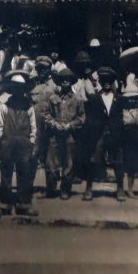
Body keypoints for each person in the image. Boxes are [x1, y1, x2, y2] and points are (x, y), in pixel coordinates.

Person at [0, 70, 37, 216]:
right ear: (12, 89)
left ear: (24, 90)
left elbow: (33, 125)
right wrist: (0, 140)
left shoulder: (29, 106)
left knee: (24, 173)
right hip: (8, 142)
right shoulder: (4, 105)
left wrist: (32, 141)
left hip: (24, 143)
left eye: (21, 88)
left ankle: (23, 204)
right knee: (6, 173)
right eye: (16, 87)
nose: (19, 91)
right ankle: (5, 203)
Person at [83, 67, 125, 202]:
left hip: (114, 133)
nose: (106, 83)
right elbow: (90, 117)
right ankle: (88, 188)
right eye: (104, 80)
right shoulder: (95, 98)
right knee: (93, 159)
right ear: (100, 82)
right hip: (99, 133)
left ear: (113, 82)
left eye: (109, 80)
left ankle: (120, 189)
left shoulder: (119, 99)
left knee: (118, 161)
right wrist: (96, 126)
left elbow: (120, 117)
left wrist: (116, 128)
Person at [44, 67, 85, 199]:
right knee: (51, 162)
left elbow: (82, 118)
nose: (65, 82)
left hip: (69, 135)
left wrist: (70, 125)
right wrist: (54, 124)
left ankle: (65, 189)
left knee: (69, 163)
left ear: (72, 82)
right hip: (55, 134)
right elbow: (47, 114)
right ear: (59, 82)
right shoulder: (53, 98)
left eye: (68, 80)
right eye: (62, 80)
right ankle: (51, 187)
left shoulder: (77, 99)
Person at [29, 56, 57, 194]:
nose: (41, 71)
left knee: (50, 159)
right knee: (32, 156)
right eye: (39, 68)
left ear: (49, 69)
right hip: (35, 127)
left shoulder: (55, 86)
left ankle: (51, 189)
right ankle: (27, 187)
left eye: (44, 68)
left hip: (50, 128)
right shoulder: (31, 85)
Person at [121, 82, 138, 198]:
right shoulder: (122, 110)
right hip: (124, 138)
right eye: (129, 99)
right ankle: (121, 188)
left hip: (135, 138)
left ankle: (130, 189)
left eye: (134, 99)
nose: (131, 101)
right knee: (122, 163)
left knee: (132, 165)